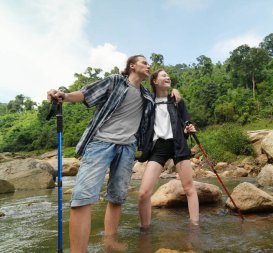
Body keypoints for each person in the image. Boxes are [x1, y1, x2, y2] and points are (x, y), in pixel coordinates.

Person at [47, 55, 181, 253]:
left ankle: (110, 241)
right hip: (101, 143)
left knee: (117, 197)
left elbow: (162, 97)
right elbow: (86, 93)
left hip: (127, 148)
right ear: (132, 66)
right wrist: (64, 96)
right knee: (83, 197)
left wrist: (175, 92)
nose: (148, 65)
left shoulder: (146, 95)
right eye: (144, 62)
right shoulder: (115, 81)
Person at [138, 69, 199, 230]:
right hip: (158, 147)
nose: (168, 77)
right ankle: (144, 230)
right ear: (154, 81)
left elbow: (186, 122)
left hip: (178, 144)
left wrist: (189, 128)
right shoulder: (148, 101)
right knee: (143, 193)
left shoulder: (177, 100)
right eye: (163, 75)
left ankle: (195, 227)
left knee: (189, 189)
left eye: (168, 76)